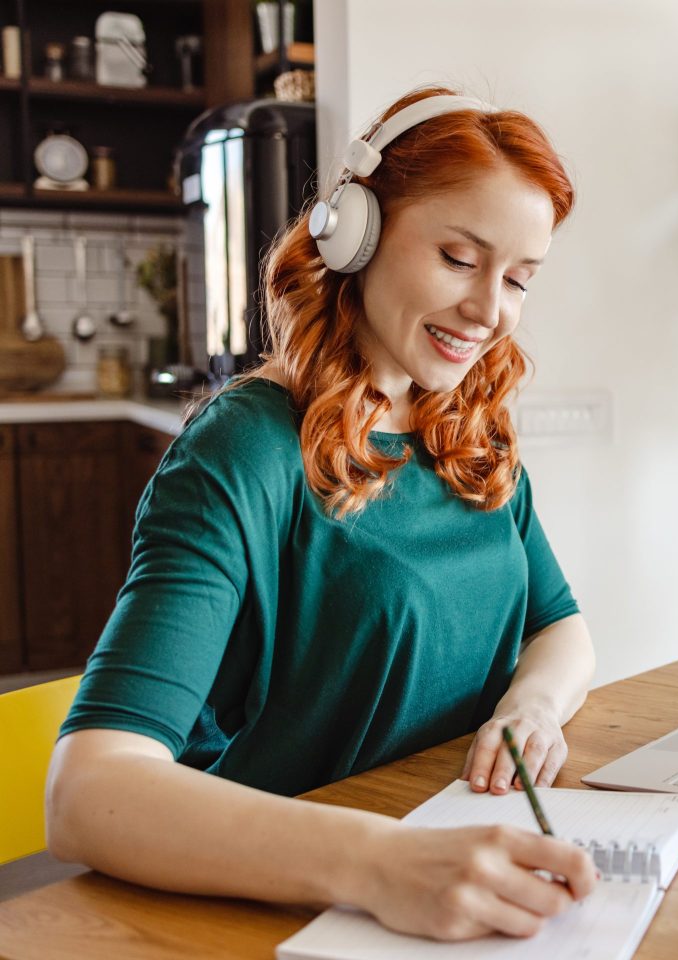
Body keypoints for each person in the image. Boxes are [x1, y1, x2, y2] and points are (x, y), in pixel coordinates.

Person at [44, 86, 599, 942]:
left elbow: (560, 628)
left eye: (519, 279)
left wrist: (530, 709)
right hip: (285, 911)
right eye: (458, 258)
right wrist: (380, 864)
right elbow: (88, 792)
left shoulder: (468, 428)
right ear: (356, 233)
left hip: (443, 871)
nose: (491, 313)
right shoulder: (244, 450)